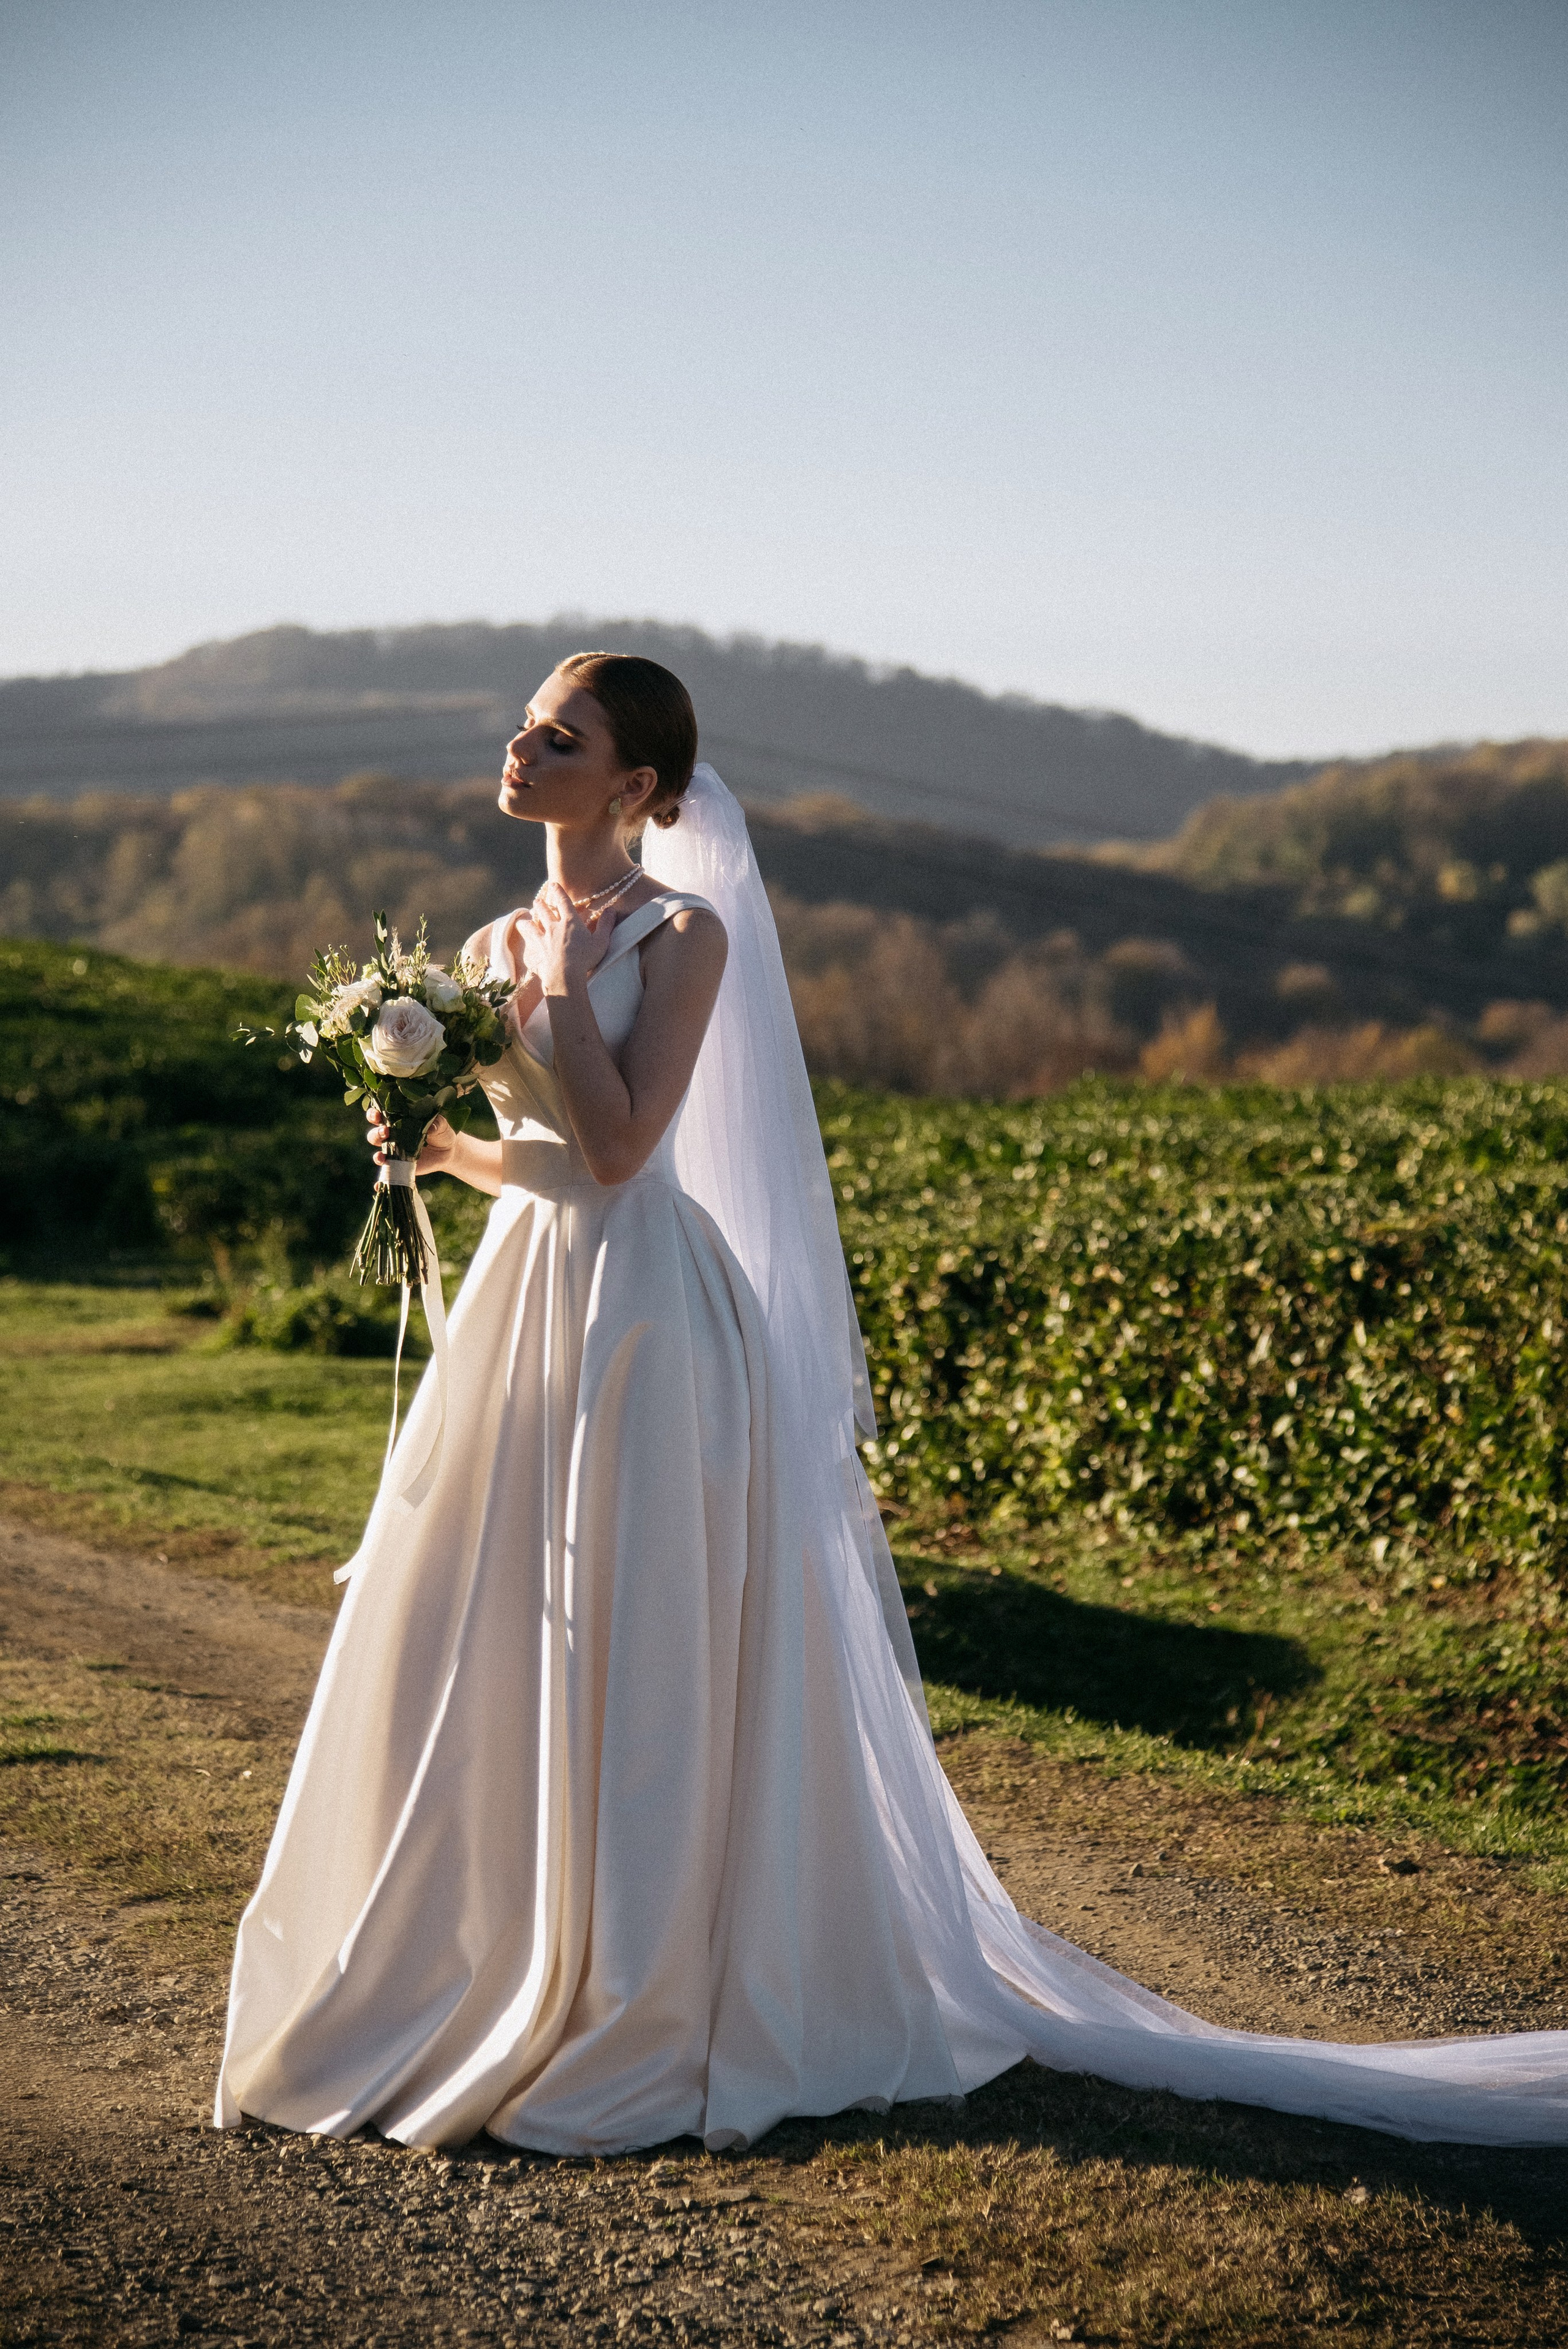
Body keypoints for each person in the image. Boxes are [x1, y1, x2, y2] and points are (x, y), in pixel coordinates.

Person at [217, 653, 1568, 2154]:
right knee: (499, 1620)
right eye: (528, 722)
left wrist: (553, 1006)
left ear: (640, 789)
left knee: (644, 1631)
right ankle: (478, 1952)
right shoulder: (486, 936)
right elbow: (536, 1159)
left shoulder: (685, 932)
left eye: (562, 734)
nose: (522, 746)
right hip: (529, 1304)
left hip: (652, 1323)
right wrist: (431, 1147)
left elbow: (617, 1153)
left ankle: (644, 1988)